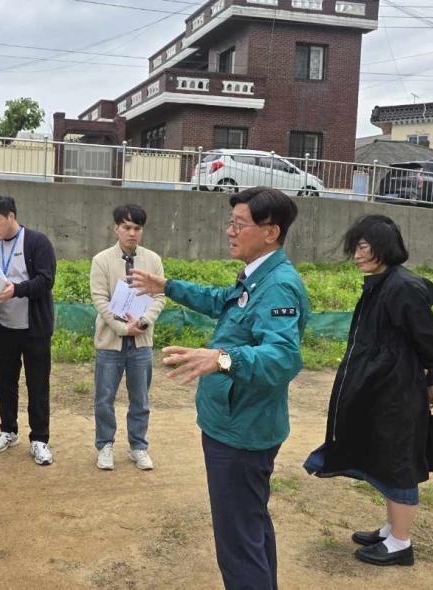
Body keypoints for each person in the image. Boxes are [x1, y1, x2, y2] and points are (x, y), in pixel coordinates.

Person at [131, 186, 310, 590]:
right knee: (249, 525)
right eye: (230, 223)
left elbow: (283, 357)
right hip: (236, 421)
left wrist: (223, 359)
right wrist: (167, 286)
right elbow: (223, 301)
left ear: (270, 232)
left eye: (239, 225)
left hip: (242, 430)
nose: (230, 231)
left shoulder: (278, 285)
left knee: (238, 542)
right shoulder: (257, 276)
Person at [303, 214, 433, 567]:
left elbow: (430, 342)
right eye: (355, 248)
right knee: (385, 456)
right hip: (383, 389)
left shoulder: (402, 287)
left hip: (397, 392)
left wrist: (431, 377)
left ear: (383, 248)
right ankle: (392, 529)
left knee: (398, 461)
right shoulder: (383, 282)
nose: (356, 255)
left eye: (363, 247)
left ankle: (401, 543)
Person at [90, 204, 165, 471]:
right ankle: (105, 445)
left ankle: (138, 446)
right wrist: (123, 328)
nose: (132, 233)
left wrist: (143, 322)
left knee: (140, 399)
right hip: (110, 342)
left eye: (137, 228)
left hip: (141, 342)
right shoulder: (102, 260)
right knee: (104, 398)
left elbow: (160, 296)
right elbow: (100, 299)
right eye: (127, 227)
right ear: (116, 229)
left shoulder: (152, 260)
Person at [0, 195, 57, 466]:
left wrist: (17, 289)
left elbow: (46, 280)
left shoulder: (37, 242)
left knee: (37, 385)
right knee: (4, 384)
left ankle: (39, 438)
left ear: (11, 216)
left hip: (34, 329)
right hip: (4, 328)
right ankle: (8, 430)